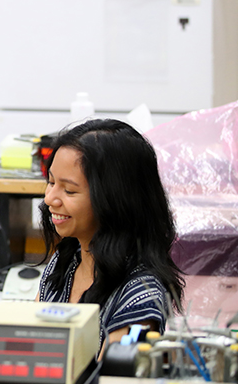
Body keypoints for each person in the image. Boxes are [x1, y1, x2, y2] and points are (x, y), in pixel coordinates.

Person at [35, 118, 185, 355]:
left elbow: (111, 376)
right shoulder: (65, 262)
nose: (50, 198)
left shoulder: (139, 295)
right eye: (51, 182)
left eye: (69, 190)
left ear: (115, 200)